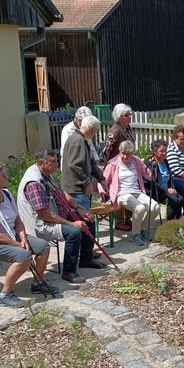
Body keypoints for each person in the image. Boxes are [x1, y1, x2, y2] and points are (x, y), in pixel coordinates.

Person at [0, 162, 52, 308]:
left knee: (43, 247)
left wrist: (23, 238)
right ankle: (5, 295)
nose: (6, 175)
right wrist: (18, 244)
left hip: (10, 234)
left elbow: (17, 220)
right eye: (2, 174)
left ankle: (38, 284)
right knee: (24, 255)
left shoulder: (6, 193)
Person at [18, 149, 95, 285]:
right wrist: (71, 224)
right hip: (40, 225)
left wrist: (80, 209)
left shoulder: (46, 174)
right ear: (41, 163)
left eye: (56, 161)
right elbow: (44, 214)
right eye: (53, 161)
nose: (57, 164)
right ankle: (69, 272)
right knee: (74, 232)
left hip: (54, 216)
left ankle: (86, 259)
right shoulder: (34, 182)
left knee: (87, 219)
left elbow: (61, 193)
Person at [61, 115, 107, 270]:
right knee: (85, 224)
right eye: (96, 131)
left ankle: (86, 257)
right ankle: (83, 260)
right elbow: (74, 165)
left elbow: (90, 164)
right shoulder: (77, 141)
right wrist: (87, 183)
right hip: (76, 190)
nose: (95, 133)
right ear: (93, 130)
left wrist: (100, 178)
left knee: (89, 223)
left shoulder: (81, 140)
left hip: (80, 189)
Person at [103, 141, 160, 247]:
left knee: (155, 207)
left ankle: (143, 230)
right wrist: (101, 191)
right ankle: (135, 234)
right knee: (140, 208)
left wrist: (154, 167)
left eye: (128, 154)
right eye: (123, 153)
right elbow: (103, 180)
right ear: (119, 152)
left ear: (132, 153)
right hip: (121, 194)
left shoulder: (136, 161)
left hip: (136, 191)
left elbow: (149, 176)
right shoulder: (113, 163)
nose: (125, 156)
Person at [102, 103, 135, 231]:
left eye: (129, 115)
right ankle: (119, 221)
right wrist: (112, 166)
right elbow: (106, 152)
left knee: (129, 189)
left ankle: (128, 219)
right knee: (117, 192)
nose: (129, 117)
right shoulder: (114, 131)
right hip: (117, 166)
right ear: (119, 117)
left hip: (128, 163)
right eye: (127, 115)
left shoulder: (128, 128)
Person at [146, 139, 183, 220]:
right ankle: (170, 224)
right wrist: (167, 190)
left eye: (165, 151)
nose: (164, 153)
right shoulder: (151, 164)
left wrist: (172, 188)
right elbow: (152, 182)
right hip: (157, 192)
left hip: (167, 190)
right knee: (174, 201)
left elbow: (170, 177)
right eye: (161, 151)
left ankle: (177, 222)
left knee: (180, 199)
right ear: (155, 152)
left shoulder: (165, 161)